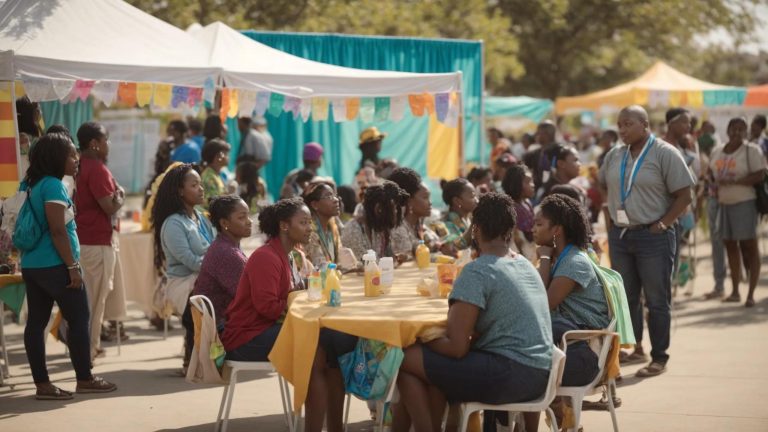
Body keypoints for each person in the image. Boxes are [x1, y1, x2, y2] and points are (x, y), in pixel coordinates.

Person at [392, 193, 553, 432]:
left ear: (475, 230)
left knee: (404, 356)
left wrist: (423, 339)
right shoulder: (524, 264)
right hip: (541, 374)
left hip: (510, 375)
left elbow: (457, 348)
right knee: (427, 372)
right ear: (510, 230)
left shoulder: (477, 271)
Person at [599, 105, 694, 378]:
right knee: (627, 297)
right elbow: (602, 183)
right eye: (619, 124)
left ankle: (659, 357)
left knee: (656, 299)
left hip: (654, 237)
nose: (622, 129)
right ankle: (636, 347)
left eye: (628, 123)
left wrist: (662, 224)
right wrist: (612, 211)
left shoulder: (665, 153)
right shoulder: (615, 155)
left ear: (645, 125)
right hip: (621, 236)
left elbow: (684, 195)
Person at [20, 132, 116, 400]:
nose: (76, 159)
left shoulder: (28, 184)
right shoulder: (52, 185)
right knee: (79, 319)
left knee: (36, 324)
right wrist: (72, 266)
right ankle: (84, 378)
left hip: (32, 264)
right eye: (72, 154)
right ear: (56, 158)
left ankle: (43, 385)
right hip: (56, 265)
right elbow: (57, 230)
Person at [152, 164, 213, 373]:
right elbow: (190, 260)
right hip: (183, 283)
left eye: (200, 184)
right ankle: (194, 357)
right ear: (180, 191)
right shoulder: (173, 224)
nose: (201, 189)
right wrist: (217, 267)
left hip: (202, 277)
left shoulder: (200, 217)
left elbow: (214, 249)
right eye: (194, 185)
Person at [74, 122, 127, 361]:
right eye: (106, 140)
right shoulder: (96, 168)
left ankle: (86, 348)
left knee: (88, 301)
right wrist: (121, 198)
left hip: (82, 240)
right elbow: (108, 206)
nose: (109, 145)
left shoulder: (76, 166)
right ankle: (89, 352)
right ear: (94, 144)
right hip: (96, 241)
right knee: (95, 304)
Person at [709, 117, 765, 307]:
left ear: (746, 131)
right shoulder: (717, 151)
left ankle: (750, 293)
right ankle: (734, 291)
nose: (737, 132)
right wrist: (716, 182)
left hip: (745, 203)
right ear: (728, 129)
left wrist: (737, 182)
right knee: (730, 247)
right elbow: (710, 173)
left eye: (741, 129)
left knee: (749, 247)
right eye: (734, 128)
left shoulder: (751, 150)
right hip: (724, 203)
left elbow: (760, 173)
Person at [192, 195, 251, 328]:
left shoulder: (227, 244)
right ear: (224, 223)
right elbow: (248, 298)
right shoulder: (227, 253)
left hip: (226, 320)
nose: (249, 221)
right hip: (224, 328)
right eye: (242, 217)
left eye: (248, 216)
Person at [341, 181, 408, 261]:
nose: (396, 212)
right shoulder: (353, 230)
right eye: (394, 208)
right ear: (378, 209)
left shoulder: (378, 227)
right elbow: (366, 265)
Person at [388, 168, 442, 259]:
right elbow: (408, 261)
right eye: (425, 197)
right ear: (409, 201)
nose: (430, 203)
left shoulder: (419, 224)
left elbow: (439, 243)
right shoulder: (398, 228)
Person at [301, 181, 343, 267]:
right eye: (329, 196)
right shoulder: (309, 231)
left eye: (335, 195)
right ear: (315, 205)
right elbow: (320, 266)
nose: (336, 200)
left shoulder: (332, 226)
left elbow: (339, 258)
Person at [502, 164, 537, 262]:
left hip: (530, 251)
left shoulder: (527, 203)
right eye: (528, 181)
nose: (533, 185)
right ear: (515, 183)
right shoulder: (510, 207)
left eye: (532, 181)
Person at [440, 178, 478, 253]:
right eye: (473, 196)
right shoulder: (446, 224)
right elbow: (455, 247)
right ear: (457, 201)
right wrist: (475, 222)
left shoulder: (468, 218)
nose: (477, 200)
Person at [523, 120, 559, 189]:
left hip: (553, 188)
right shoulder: (535, 153)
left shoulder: (559, 151)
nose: (536, 136)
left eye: (539, 133)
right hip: (538, 190)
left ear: (548, 134)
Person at [200, 138, 231, 209]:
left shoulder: (215, 174)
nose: (228, 157)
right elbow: (214, 204)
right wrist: (229, 193)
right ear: (218, 157)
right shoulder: (209, 177)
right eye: (226, 154)